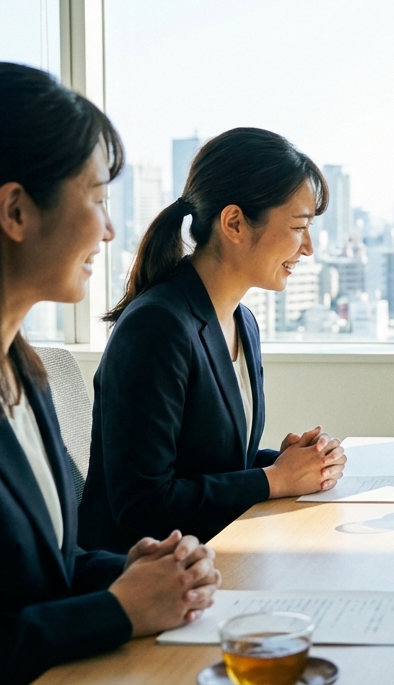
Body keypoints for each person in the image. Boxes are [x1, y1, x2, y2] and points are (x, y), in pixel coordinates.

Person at [0, 62, 220, 683]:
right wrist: (115, 611)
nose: (109, 230)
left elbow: (34, 567)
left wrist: (130, 571)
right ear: (16, 211)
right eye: (98, 200)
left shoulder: (26, 373)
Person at [79, 128, 346, 552]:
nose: (309, 247)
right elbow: (143, 505)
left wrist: (290, 464)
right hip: (147, 578)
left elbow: (214, 465)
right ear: (234, 223)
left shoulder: (243, 321)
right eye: (299, 226)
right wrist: (274, 479)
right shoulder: (156, 327)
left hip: (217, 553)